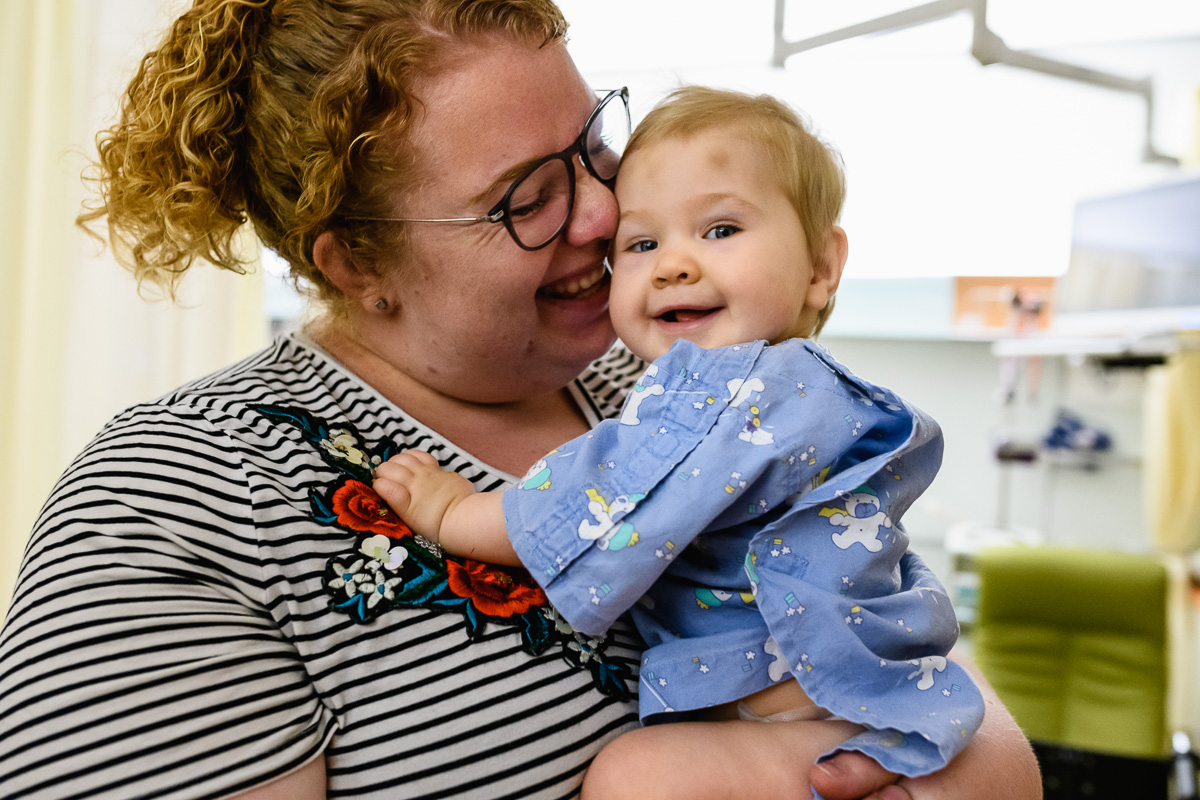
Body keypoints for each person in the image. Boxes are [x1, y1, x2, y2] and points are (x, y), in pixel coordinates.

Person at [0, 1, 1041, 799]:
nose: (604, 210)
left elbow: (919, 663)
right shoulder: (178, 500)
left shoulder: (669, 375)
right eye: (527, 198)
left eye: (594, 143)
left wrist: (964, 763)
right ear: (360, 260)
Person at [373, 86, 983, 798]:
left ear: (821, 267)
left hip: (796, 702)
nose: (673, 265)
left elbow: (606, 494)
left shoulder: (737, 388)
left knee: (639, 778)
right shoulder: (791, 386)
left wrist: (457, 515)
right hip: (831, 696)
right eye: (640, 243)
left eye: (720, 230)